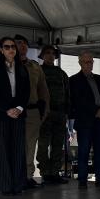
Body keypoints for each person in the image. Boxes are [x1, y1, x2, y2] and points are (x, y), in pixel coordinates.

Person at [0, 37, 29, 195]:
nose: (11, 49)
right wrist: (6, 109)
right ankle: (5, 185)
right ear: (1, 50)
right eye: (7, 47)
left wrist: (19, 108)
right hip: (0, 114)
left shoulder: (22, 68)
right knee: (1, 150)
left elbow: (26, 91)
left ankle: (18, 184)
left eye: (13, 47)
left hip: (18, 113)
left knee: (18, 149)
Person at [70, 52, 100, 188]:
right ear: (80, 63)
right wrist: (95, 110)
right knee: (84, 150)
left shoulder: (99, 78)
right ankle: (82, 179)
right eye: (86, 62)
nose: (89, 64)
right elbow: (78, 100)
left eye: (91, 62)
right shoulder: (74, 80)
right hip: (85, 120)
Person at [14, 35, 48, 189]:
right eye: (19, 43)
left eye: (25, 44)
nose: (23, 46)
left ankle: (28, 176)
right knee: (14, 144)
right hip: (13, 111)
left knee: (30, 145)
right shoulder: (7, 65)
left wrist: (44, 111)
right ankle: (15, 176)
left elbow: (43, 90)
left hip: (32, 110)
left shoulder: (35, 66)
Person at [36, 45, 70, 184]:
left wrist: (67, 111)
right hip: (45, 113)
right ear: (43, 55)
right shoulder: (39, 71)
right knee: (43, 144)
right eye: (47, 53)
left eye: (52, 53)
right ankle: (45, 172)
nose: (50, 55)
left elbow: (67, 92)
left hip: (59, 112)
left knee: (57, 144)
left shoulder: (61, 73)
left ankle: (55, 172)